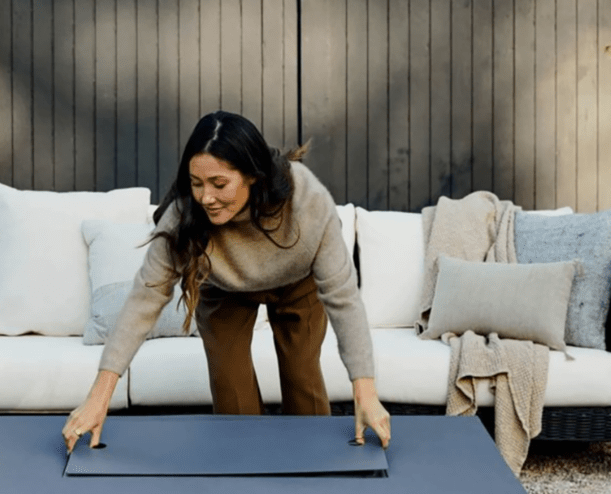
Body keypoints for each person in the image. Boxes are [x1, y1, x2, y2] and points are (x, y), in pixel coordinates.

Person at [63, 111, 391, 452]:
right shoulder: (184, 216)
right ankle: (245, 474)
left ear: (253, 176)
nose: (206, 197)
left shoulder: (307, 204)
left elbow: (343, 298)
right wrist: (98, 399)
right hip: (223, 288)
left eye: (219, 184)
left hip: (298, 282)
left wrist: (365, 393)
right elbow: (145, 299)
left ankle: (310, 475)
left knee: (301, 375)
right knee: (230, 384)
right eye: (196, 183)